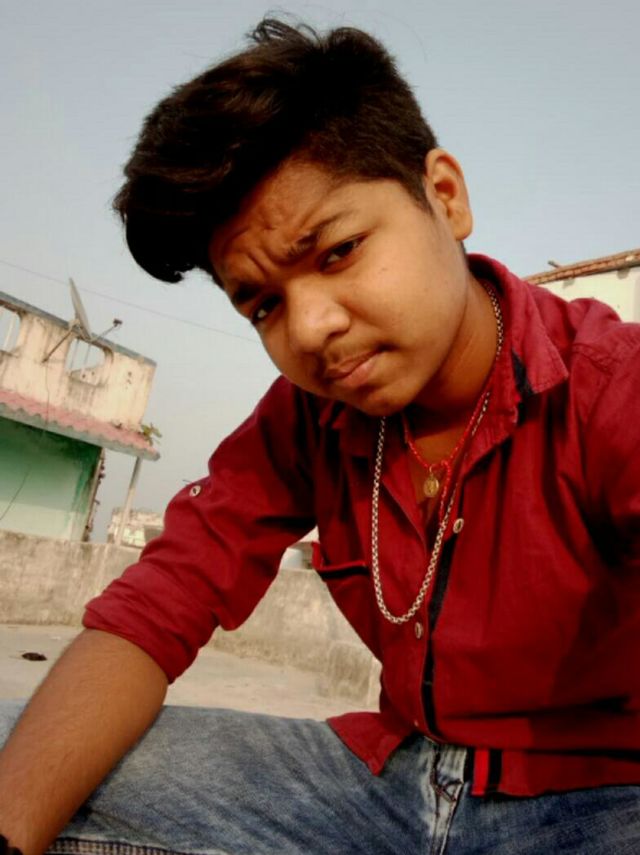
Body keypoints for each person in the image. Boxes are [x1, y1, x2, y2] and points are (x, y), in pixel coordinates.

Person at [1, 16, 639, 855]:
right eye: (263, 303)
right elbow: (156, 608)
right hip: (381, 787)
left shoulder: (607, 385)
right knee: (22, 749)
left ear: (445, 197)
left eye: (337, 251)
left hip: (601, 798)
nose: (309, 329)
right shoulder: (307, 414)